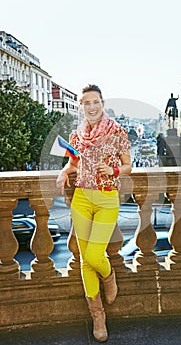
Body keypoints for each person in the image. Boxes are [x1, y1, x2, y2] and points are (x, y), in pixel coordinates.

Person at [56, 84, 132, 342]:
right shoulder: (76, 136)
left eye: (95, 101)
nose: (91, 106)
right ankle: (98, 316)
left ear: (102, 103)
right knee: (86, 261)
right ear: (81, 107)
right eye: (86, 103)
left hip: (107, 200)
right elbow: (72, 163)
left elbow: (128, 165)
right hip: (81, 199)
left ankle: (109, 276)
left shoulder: (117, 132)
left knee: (92, 255)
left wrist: (115, 172)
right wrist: (63, 172)